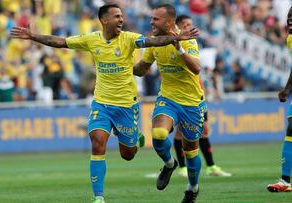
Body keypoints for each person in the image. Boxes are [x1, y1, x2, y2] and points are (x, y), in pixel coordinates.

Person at [10, 3, 199, 203]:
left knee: (128, 154)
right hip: (101, 103)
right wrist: (33, 36)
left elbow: (153, 41)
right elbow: (61, 42)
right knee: (98, 142)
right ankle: (98, 197)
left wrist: (175, 39)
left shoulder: (129, 38)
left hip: (126, 106)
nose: (121, 19)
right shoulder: (92, 40)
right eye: (116, 16)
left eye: (121, 16)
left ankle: (135, 138)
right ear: (104, 20)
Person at [134, 4, 204, 203]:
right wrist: (125, 67)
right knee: (158, 134)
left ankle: (192, 188)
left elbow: (197, 69)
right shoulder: (154, 41)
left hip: (191, 102)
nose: (151, 22)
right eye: (151, 18)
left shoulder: (186, 38)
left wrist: (179, 47)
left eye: (156, 19)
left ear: (170, 22)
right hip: (168, 98)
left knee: (190, 152)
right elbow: (143, 68)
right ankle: (169, 163)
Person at [174, 15, 232, 178]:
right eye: (185, 25)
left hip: (198, 97)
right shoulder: (175, 46)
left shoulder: (195, 46)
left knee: (204, 131)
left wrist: (207, 90)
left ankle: (211, 166)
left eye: (191, 24)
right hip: (181, 97)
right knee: (180, 133)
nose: (189, 28)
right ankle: (182, 167)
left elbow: (201, 73)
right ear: (177, 28)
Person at [267, 4, 292, 193]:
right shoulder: (290, 40)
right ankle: (285, 181)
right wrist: (288, 88)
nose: (291, 19)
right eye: (289, 16)